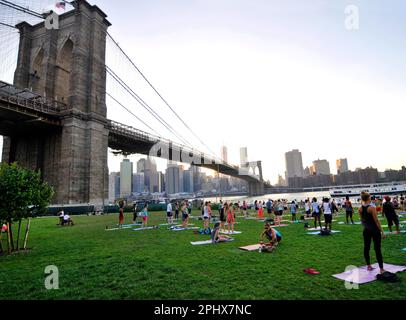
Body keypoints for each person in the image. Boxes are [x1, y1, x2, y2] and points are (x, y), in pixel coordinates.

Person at [358, 192, 385, 274]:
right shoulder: (372, 208)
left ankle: (369, 265)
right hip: (374, 230)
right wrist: (382, 232)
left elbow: (362, 220)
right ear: (369, 198)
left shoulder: (360, 209)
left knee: (366, 247)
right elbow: (376, 220)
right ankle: (381, 269)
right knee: (377, 248)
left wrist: (366, 227)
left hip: (366, 230)